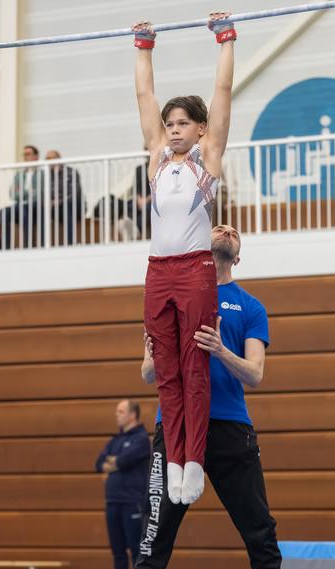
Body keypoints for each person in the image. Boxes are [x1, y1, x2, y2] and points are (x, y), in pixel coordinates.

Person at [124, 225, 300, 569]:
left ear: (235, 256)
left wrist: (221, 350)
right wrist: (153, 354)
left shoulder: (250, 307)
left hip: (230, 429)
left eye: (232, 231)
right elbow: (148, 373)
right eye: (217, 226)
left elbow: (255, 374)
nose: (224, 229)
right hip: (175, 428)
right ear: (201, 247)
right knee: (158, 524)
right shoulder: (170, 299)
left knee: (258, 525)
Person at [132, 12, 236, 506]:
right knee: (167, 371)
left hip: (195, 270)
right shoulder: (155, 156)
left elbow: (223, 94)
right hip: (157, 272)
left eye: (182, 124)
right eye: (168, 124)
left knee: (194, 368)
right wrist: (143, 48)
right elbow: (143, 98)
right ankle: (175, 458)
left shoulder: (207, 158)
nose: (172, 130)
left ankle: (194, 460)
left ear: (199, 129)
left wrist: (225, 41)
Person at [94, 399, 151, 569]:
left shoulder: (141, 439)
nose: (116, 414)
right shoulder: (115, 441)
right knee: (117, 548)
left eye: (121, 411)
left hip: (132, 502)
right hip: (113, 502)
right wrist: (113, 463)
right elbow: (99, 463)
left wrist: (114, 462)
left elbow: (123, 461)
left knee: (136, 548)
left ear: (133, 415)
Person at [0, 145, 44, 249]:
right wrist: (28, 191)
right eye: (24, 154)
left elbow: (39, 193)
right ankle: (6, 245)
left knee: (22, 209)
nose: (25, 157)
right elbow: (12, 194)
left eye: (28, 154)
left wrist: (21, 192)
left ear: (36, 156)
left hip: (35, 205)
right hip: (19, 205)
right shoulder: (19, 175)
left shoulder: (42, 173)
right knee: (3, 212)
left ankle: (27, 244)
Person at [45, 150, 85, 245]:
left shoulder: (70, 172)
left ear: (58, 159)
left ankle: (71, 242)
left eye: (51, 158)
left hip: (75, 206)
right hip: (55, 209)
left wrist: (59, 201)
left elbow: (75, 192)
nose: (48, 161)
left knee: (66, 206)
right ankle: (45, 243)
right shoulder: (45, 175)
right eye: (47, 159)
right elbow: (43, 194)